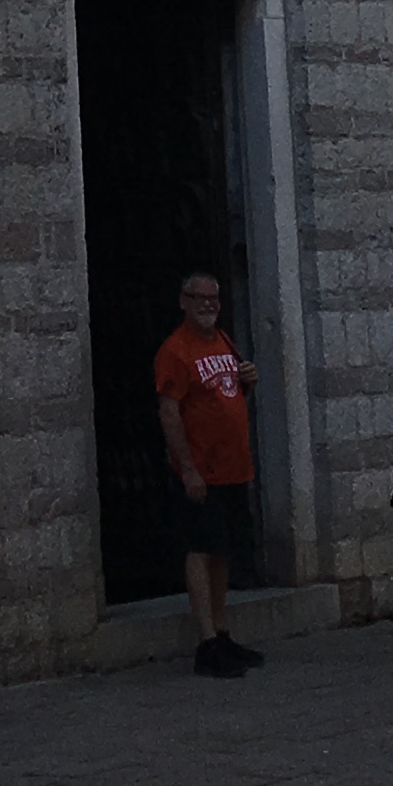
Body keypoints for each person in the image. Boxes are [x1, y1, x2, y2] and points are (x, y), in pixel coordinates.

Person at [154, 271, 265, 680]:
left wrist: (247, 381)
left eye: (213, 298)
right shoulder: (175, 350)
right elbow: (169, 412)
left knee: (222, 550)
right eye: (198, 297)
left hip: (233, 468)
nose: (207, 305)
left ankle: (221, 632)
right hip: (202, 470)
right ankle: (206, 642)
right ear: (182, 301)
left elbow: (224, 392)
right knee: (200, 549)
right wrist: (188, 469)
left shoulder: (223, 340)